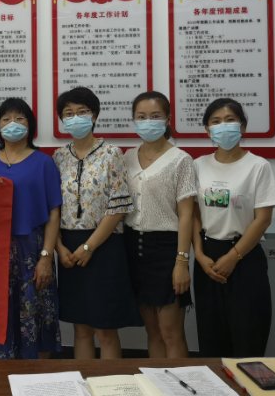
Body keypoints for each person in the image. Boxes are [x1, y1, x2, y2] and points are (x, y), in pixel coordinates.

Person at [0, 98, 62, 359]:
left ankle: (38, 375)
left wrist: (46, 257)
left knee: (36, 311)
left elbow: (54, 212)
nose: (13, 124)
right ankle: (0, 373)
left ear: (30, 124)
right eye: (6, 119)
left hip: (32, 250)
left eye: (20, 118)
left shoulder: (44, 162)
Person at [53, 86, 139, 359]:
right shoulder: (58, 157)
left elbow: (118, 206)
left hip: (104, 246)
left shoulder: (111, 153)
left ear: (94, 115)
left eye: (82, 112)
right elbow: (53, 208)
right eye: (68, 113)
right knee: (80, 329)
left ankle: (111, 382)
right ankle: (81, 380)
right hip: (68, 247)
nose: (75, 118)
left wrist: (89, 247)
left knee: (105, 330)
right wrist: (59, 247)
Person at [192, 97, 275, 357]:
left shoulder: (258, 166)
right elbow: (193, 214)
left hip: (244, 257)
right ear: (207, 129)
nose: (223, 126)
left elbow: (263, 219)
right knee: (211, 340)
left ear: (242, 126)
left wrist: (234, 256)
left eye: (230, 120)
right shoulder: (198, 165)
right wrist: (199, 255)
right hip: (207, 258)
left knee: (248, 338)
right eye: (216, 121)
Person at [123, 91, 196, 358]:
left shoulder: (181, 160)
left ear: (168, 119)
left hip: (166, 249)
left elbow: (186, 214)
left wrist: (181, 261)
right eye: (141, 117)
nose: (148, 122)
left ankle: (180, 380)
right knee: (152, 331)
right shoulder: (127, 157)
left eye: (155, 116)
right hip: (133, 245)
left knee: (170, 332)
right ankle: (155, 379)